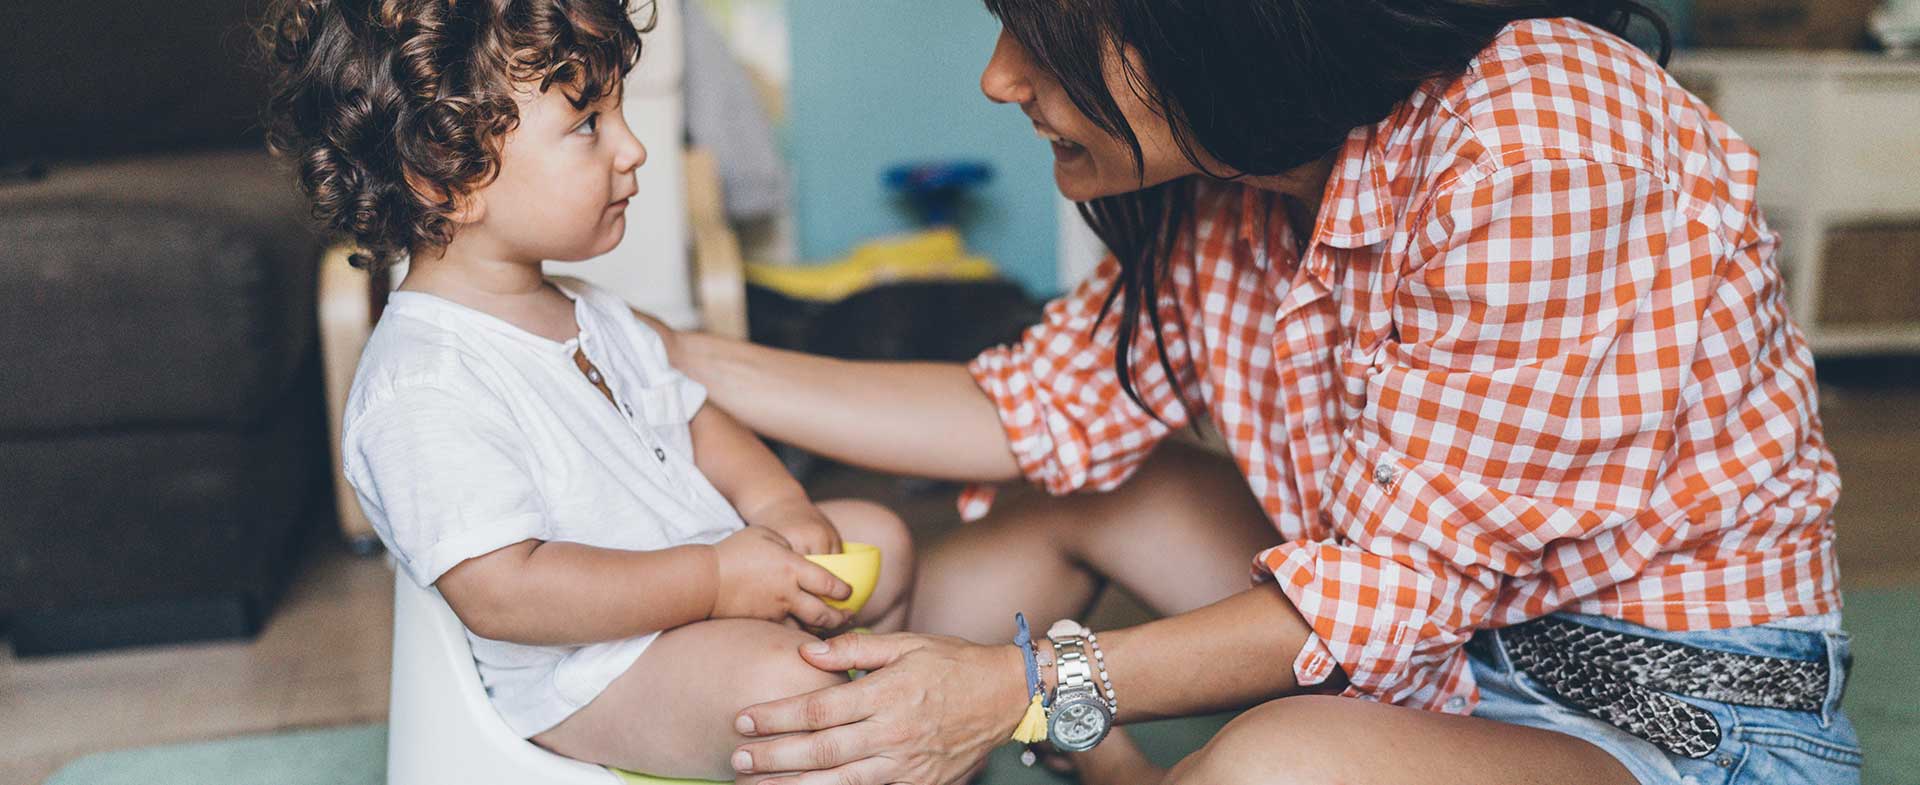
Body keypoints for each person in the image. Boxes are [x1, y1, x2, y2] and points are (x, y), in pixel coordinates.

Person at [670, 3, 1859, 784]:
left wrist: (1027, 694)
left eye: (1041, 31)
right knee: (1098, 492)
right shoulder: (1240, 178)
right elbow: (1028, 409)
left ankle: (980, 725)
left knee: (1276, 761)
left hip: (1679, 727)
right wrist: (669, 358)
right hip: (1440, 653)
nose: (997, 78)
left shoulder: (1540, 145)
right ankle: (792, 719)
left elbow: (1388, 595)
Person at [261, 2, 913, 781]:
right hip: (590, 675)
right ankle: (851, 743)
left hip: (704, 590)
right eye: (588, 124)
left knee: (884, 539)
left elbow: (697, 419)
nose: (634, 149)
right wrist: (714, 580)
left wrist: (780, 510)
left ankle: (881, 742)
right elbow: (507, 592)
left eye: (620, 113)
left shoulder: (592, 313)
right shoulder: (423, 381)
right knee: (787, 685)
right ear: (446, 178)